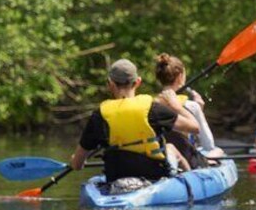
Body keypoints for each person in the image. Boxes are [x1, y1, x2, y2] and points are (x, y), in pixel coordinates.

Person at [71, 59, 199, 182]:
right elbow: (195, 127)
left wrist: (75, 162)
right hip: (155, 176)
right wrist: (177, 107)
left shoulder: (99, 116)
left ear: (110, 84)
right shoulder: (152, 108)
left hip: (116, 178)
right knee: (170, 148)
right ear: (138, 82)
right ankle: (189, 181)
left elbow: (77, 164)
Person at [153, 53, 226, 168]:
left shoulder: (150, 105)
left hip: (162, 156)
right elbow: (208, 145)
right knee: (217, 151)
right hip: (187, 157)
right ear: (180, 77)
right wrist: (199, 111)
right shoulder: (191, 106)